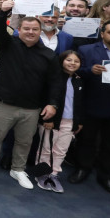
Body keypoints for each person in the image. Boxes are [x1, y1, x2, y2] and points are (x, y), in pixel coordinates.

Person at [0, 4, 60, 189]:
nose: (30, 32)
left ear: (40, 31)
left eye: (34, 29)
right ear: (19, 30)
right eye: (26, 29)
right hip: (3, 103)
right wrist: (2, 12)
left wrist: (53, 103)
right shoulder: (7, 45)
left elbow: (55, 82)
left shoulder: (49, 55)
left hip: (32, 108)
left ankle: (18, 169)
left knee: (25, 141)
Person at [72, 21, 110, 194]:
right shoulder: (86, 50)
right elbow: (76, 71)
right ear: (102, 33)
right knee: (86, 140)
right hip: (91, 102)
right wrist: (90, 71)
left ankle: (106, 175)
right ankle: (83, 168)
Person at [36, 50, 84, 193]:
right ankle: (42, 173)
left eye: (76, 61)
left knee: (61, 150)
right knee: (46, 148)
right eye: (69, 60)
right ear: (61, 61)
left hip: (70, 121)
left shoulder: (78, 80)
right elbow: (48, 99)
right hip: (52, 121)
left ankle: (54, 174)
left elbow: (79, 103)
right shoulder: (54, 78)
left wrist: (78, 122)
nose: (72, 63)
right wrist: (49, 119)